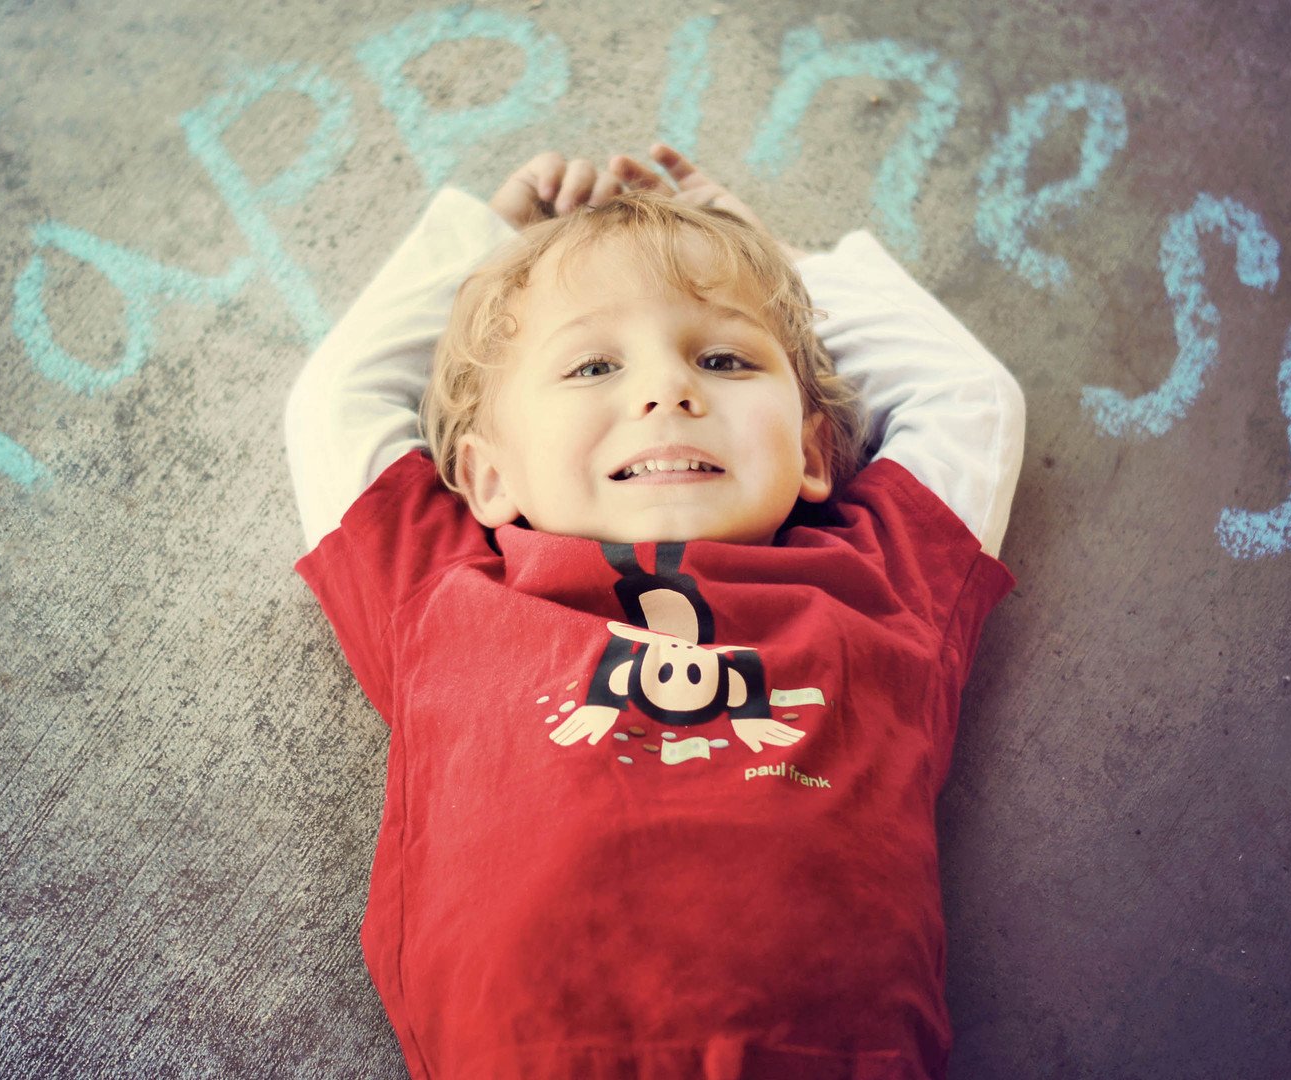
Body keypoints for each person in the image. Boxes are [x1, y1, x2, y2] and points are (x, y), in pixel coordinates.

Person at [283, 144, 1025, 1079]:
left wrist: (776, 265)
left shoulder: (886, 582)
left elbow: (970, 399)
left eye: (724, 357)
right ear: (487, 474)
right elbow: (334, 404)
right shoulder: (440, 589)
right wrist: (486, 250)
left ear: (811, 452)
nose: (667, 390)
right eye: (591, 366)